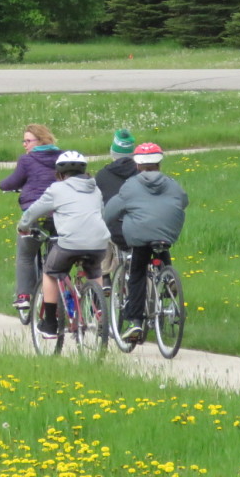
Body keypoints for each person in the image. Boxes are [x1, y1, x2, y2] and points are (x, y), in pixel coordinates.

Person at [15, 151, 110, 338]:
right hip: (98, 243)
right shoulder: (96, 190)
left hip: (70, 243)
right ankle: (100, 313)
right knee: (94, 270)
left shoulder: (56, 189)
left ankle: (50, 323)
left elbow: (33, 211)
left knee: (50, 272)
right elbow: (101, 214)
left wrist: (23, 227)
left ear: (59, 173)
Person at [102, 142, 189, 343]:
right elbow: (183, 201)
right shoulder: (171, 182)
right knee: (160, 245)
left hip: (139, 235)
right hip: (167, 231)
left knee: (138, 272)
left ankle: (135, 322)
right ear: (159, 162)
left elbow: (112, 210)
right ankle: (168, 278)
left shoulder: (131, 185)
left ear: (137, 164)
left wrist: (106, 222)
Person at [0, 124, 63, 311]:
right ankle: (57, 294)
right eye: (24, 141)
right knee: (56, 256)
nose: (24, 145)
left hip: (35, 212)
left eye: (28, 141)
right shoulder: (62, 157)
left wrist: (2, 185)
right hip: (59, 214)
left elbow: (12, 182)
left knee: (25, 255)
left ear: (40, 140)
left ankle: (24, 295)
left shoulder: (27, 160)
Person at [95, 128, 138, 282]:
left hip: (114, 230)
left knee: (100, 227)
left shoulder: (102, 175)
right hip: (140, 226)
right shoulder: (142, 174)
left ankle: (105, 275)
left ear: (113, 152)